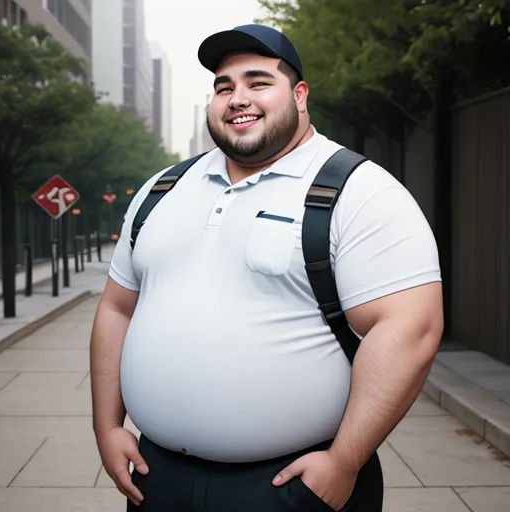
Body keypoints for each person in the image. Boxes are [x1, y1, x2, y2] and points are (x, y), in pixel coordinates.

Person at [90, 24, 443, 512]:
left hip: (290, 485)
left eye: (258, 83)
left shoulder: (361, 191)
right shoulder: (162, 189)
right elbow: (116, 309)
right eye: (224, 86)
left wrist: (344, 461)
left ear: (300, 95)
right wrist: (106, 426)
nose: (238, 98)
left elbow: (411, 329)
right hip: (156, 479)